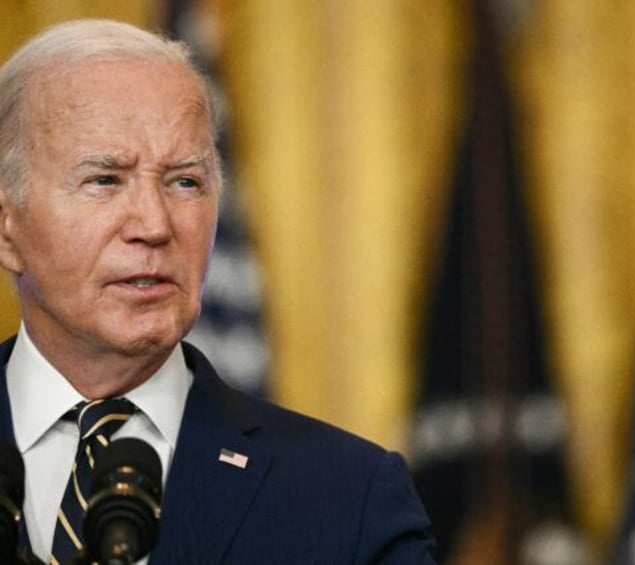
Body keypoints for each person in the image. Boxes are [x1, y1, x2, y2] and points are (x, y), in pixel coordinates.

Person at [0, 18, 435, 564]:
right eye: (105, 180)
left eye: (185, 181)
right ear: (6, 225)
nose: (155, 224)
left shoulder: (347, 500)